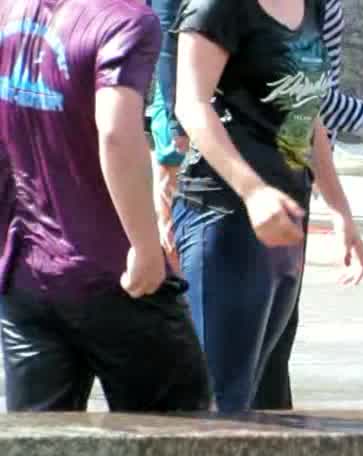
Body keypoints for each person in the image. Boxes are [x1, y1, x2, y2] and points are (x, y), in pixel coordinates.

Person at [149, 0, 363, 410]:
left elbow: (307, 115)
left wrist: (339, 209)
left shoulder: (311, 7)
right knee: (219, 396)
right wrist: (253, 191)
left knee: (256, 390)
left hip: (284, 216)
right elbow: (191, 104)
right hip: (222, 214)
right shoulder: (217, 7)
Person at [0, 0, 210, 412]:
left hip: (26, 277)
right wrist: (145, 246)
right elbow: (115, 131)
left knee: (39, 446)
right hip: (116, 274)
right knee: (181, 436)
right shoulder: (124, 19)